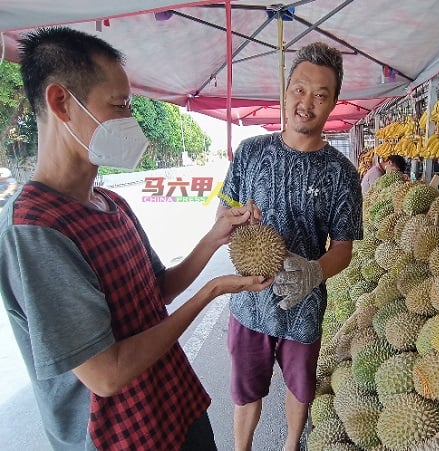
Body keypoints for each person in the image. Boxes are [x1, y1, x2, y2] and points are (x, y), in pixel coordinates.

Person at [0, 27, 271, 450]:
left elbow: (157, 290)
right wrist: (213, 290)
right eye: (120, 105)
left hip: (175, 406)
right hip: (123, 438)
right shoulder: (34, 230)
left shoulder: (109, 203)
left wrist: (215, 238)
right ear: (61, 103)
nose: (132, 120)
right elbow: (107, 374)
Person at [217, 42, 363, 451]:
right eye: (300, 89)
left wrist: (314, 272)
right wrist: (233, 223)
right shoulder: (250, 152)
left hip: (305, 306)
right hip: (249, 303)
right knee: (246, 391)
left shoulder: (343, 173)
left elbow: (344, 246)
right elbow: (223, 212)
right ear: (285, 91)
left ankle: (291, 445)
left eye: (321, 94)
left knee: (301, 387)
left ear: (333, 102)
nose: (307, 102)